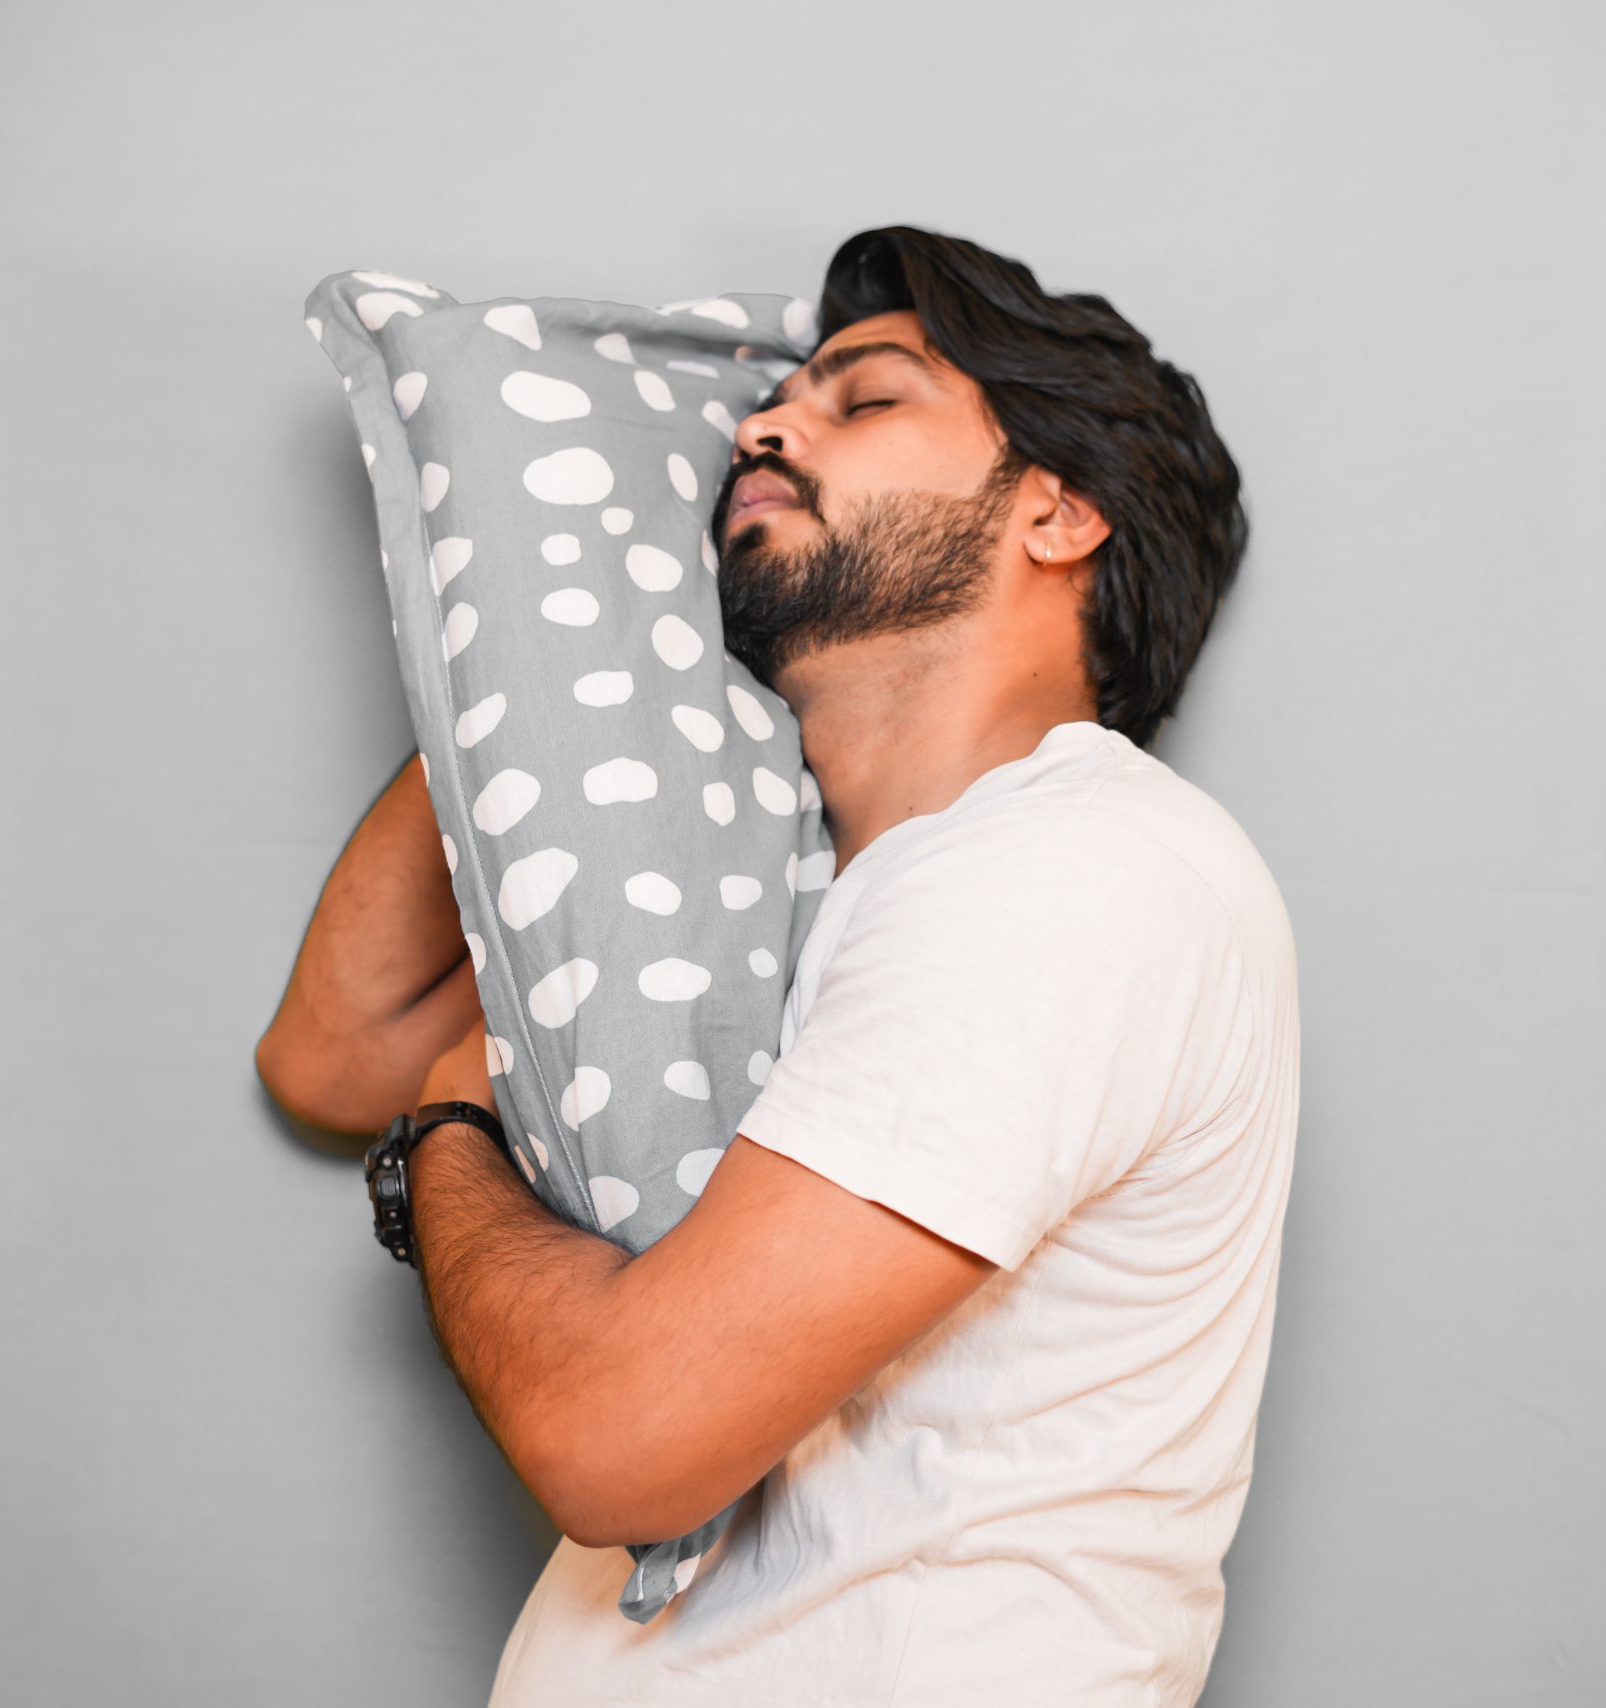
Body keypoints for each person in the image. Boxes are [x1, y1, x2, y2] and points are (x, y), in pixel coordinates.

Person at [255, 225, 1302, 1706]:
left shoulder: (1073, 871)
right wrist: (552, 648)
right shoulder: (775, 889)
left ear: (1057, 516)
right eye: (774, 407)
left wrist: (446, 1130)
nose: (763, 426)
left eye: (864, 401)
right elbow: (331, 1052)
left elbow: (619, 1441)